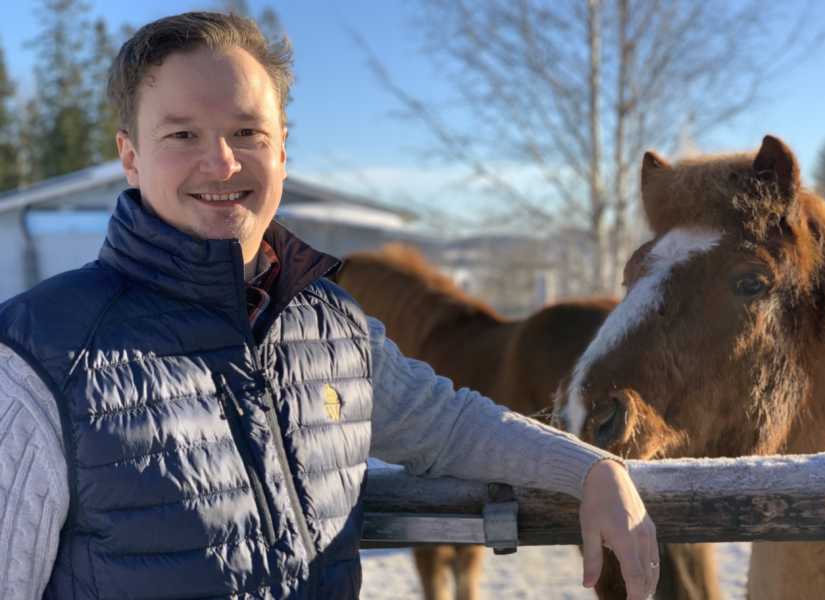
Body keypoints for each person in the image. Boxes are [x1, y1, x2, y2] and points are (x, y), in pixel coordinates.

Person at [0, 12, 658, 600]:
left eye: (246, 131)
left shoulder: (329, 323)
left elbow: (449, 426)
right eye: (181, 135)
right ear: (131, 158)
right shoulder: (40, 356)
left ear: (282, 150)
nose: (222, 162)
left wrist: (591, 468)